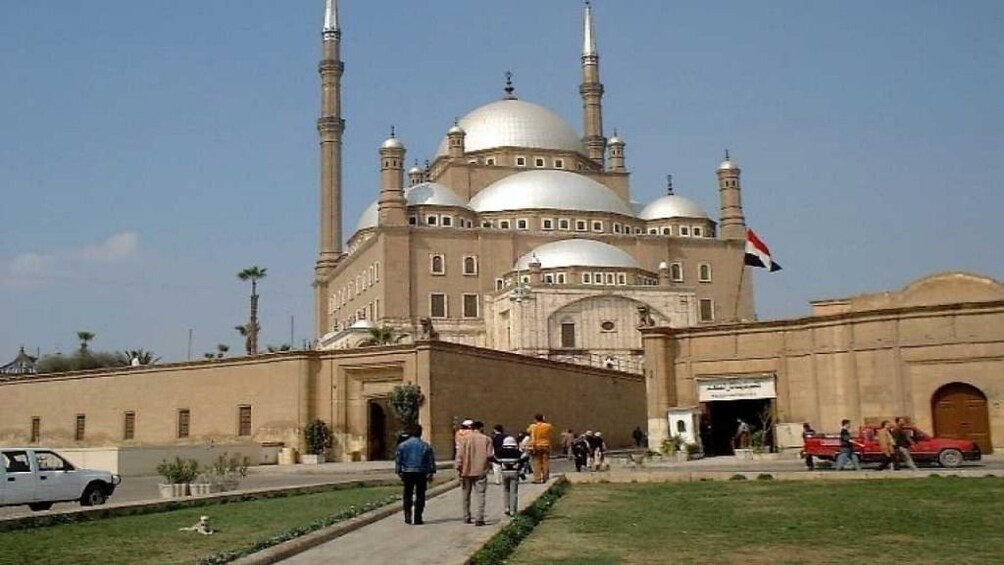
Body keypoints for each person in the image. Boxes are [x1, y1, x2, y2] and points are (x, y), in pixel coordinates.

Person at [395, 424, 436, 525]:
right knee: (420, 495)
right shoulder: (425, 445)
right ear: (420, 433)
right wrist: (431, 472)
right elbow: (430, 461)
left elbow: (398, 459)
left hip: (407, 472)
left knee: (407, 494)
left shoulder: (403, 445)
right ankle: (418, 517)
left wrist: (399, 471)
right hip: (421, 472)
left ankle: (407, 516)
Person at [455, 420, 493, 526]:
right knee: (480, 495)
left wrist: (458, 467)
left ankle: (466, 517)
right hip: (480, 470)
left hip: (466, 471)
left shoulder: (464, 439)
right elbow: (490, 455)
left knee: (465, 495)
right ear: (481, 428)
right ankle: (479, 518)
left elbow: (459, 455)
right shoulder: (487, 439)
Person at [491, 436, 530, 517]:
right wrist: (518, 463)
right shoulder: (517, 452)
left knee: (506, 490)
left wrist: (502, 463)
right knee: (514, 492)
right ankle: (513, 510)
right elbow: (526, 456)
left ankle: (506, 508)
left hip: (504, 472)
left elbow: (493, 458)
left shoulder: (500, 452)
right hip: (514, 472)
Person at [527, 413, 554, 483]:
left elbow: (528, 431)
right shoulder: (548, 426)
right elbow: (551, 432)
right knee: (545, 462)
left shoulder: (533, 426)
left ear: (535, 419)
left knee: (537, 462)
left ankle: (537, 478)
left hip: (536, 445)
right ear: (543, 418)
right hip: (546, 445)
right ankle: (545, 477)